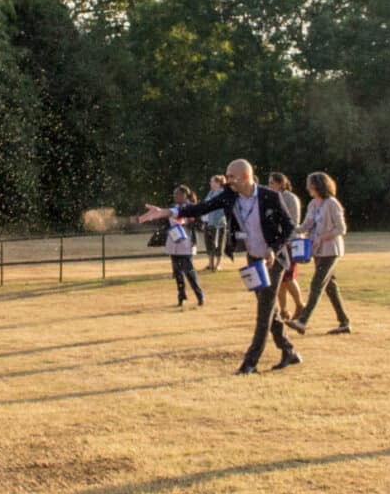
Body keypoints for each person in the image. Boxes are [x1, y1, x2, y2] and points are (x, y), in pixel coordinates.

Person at [139, 159, 297, 374]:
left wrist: (274, 248)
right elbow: (200, 207)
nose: (227, 180)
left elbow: (289, 227)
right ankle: (289, 351)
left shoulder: (271, 196)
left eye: (231, 177)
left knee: (264, 312)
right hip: (254, 259)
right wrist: (168, 212)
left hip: (274, 260)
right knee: (269, 309)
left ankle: (249, 363)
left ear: (245, 177)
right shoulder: (229, 195)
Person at [284, 171, 352, 336]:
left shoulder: (331, 203)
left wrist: (322, 237)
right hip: (317, 251)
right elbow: (306, 225)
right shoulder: (313, 204)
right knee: (330, 287)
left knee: (317, 285)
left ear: (317, 185)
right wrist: (289, 228)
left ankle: (302, 321)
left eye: (310, 183)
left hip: (331, 251)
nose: (307, 187)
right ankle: (344, 322)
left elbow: (341, 229)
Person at [268, 172, 304, 322]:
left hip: (289, 242)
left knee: (288, 277)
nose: (269, 186)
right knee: (279, 278)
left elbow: (292, 222)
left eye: (272, 183)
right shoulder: (274, 197)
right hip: (277, 243)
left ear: (280, 183)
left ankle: (300, 305)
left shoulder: (290, 198)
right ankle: (284, 310)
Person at [164, 185, 205, 309]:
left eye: (177, 194)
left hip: (186, 244)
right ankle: (181, 296)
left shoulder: (192, 208)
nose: (175, 196)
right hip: (173, 243)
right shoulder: (172, 207)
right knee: (177, 272)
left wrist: (188, 221)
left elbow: (200, 224)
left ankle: (199, 295)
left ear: (184, 196)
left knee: (189, 271)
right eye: (174, 194)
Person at [201, 174, 229, 272]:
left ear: (218, 183)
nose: (210, 183)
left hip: (218, 224)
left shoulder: (222, 193)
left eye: (212, 181)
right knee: (209, 244)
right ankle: (210, 264)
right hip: (208, 222)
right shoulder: (211, 192)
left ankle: (218, 264)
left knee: (218, 244)